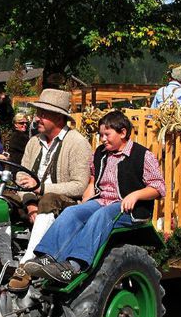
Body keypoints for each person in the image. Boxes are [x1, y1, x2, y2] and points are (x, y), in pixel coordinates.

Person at [23, 110, 165, 283]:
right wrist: (87, 194)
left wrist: (136, 195)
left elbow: (158, 187)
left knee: (102, 215)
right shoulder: (101, 153)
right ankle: (47, 257)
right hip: (102, 201)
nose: (103, 139)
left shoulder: (142, 155)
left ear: (122, 133)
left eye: (107, 134)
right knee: (72, 212)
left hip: (129, 208)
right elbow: (93, 177)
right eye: (101, 135)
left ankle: (74, 265)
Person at [7, 89, 91, 291]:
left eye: (43, 114)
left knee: (48, 199)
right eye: (38, 113)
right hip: (33, 199)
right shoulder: (34, 142)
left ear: (59, 117)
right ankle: (3, 259)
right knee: (1, 200)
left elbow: (79, 185)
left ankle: (26, 265)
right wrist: (30, 203)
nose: (37, 118)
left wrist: (41, 188)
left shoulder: (77, 143)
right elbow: (21, 175)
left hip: (64, 204)